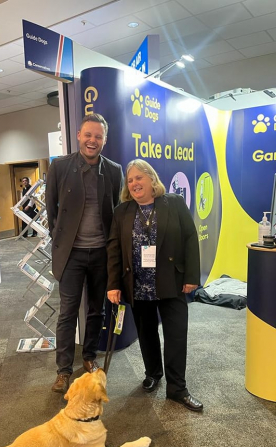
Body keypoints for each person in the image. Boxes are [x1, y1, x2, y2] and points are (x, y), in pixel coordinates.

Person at [107, 159, 203, 412]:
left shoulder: (174, 203)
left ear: (151, 179)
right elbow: (114, 250)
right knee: (146, 333)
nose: (134, 183)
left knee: (175, 335)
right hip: (138, 285)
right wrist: (113, 284)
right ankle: (153, 373)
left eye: (139, 177)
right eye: (130, 180)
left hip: (172, 282)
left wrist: (191, 276)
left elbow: (190, 239)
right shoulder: (122, 212)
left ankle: (177, 388)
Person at [46, 113, 123, 393]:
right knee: (67, 312)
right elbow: (52, 212)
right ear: (78, 135)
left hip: (101, 254)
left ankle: (89, 357)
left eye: (98, 136)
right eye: (88, 135)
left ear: (104, 139)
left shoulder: (114, 170)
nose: (93, 141)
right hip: (72, 255)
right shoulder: (60, 167)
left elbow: (116, 213)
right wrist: (61, 241)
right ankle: (63, 371)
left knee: (96, 311)